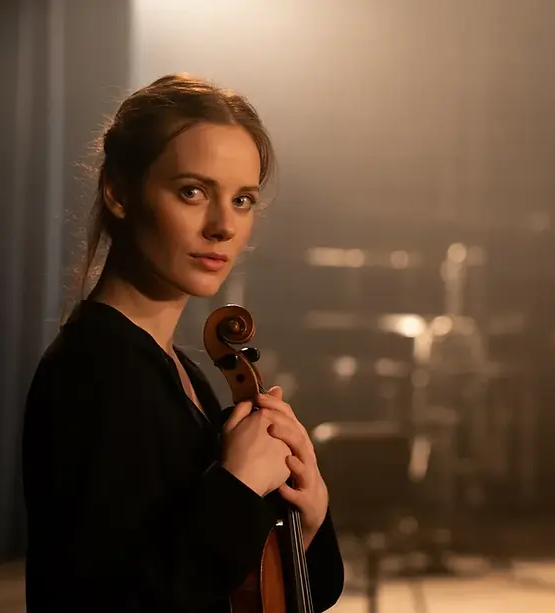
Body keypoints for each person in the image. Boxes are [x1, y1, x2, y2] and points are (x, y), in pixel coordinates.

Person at [21, 73, 345, 612]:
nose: (222, 226)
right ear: (119, 191)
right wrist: (238, 490)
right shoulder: (92, 371)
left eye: (242, 200)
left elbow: (253, 587)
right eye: (192, 192)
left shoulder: (184, 374)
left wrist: (307, 518)